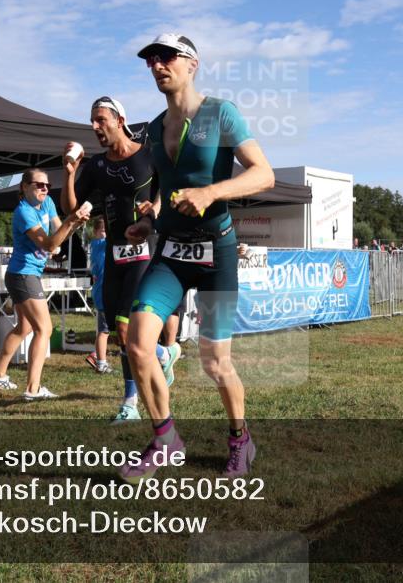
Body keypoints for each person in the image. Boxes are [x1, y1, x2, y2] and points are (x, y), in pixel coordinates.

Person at [120, 33, 274, 482]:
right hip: (171, 251)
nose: (157, 65)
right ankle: (165, 439)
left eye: (167, 57)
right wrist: (149, 220)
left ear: (192, 64)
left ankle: (240, 439)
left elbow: (263, 174)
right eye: (151, 59)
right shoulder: (152, 128)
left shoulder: (221, 113)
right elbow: (164, 188)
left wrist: (211, 193)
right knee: (136, 343)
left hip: (216, 254)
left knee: (214, 362)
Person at [61, 95, 180, 423]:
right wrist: (70, 173)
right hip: (115, 255)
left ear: (120, 121)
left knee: (127, 331)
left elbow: (169, 186)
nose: (94, 126)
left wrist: (153, 212)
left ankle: (130, 403)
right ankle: (163, 354)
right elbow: (70, 208)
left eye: (100, 119)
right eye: (92, 120)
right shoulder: (96, 166)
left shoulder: (149, 154)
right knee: (119, 334)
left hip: (145, 250)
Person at [0, 168, 89, 400]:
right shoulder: (23, 212)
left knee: (24, 328)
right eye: (39, 185)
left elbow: (59, 234)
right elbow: (50, 245)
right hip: (23, 275)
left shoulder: (48, 203)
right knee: (44, 329)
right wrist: (70, 222)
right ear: (24, 187)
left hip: (22, 275)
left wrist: (74, 223)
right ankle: (33, 389)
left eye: (47, 185)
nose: (44, 189)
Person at [85, 217, 113, 374]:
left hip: (102, 292)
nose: (107, 234)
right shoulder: (102, 244)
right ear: (96, 232)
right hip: (104, 294)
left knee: (105, 330)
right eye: (103, 231)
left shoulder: (96, 245)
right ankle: (100, 361)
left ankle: (99, 358)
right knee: (104, 331)